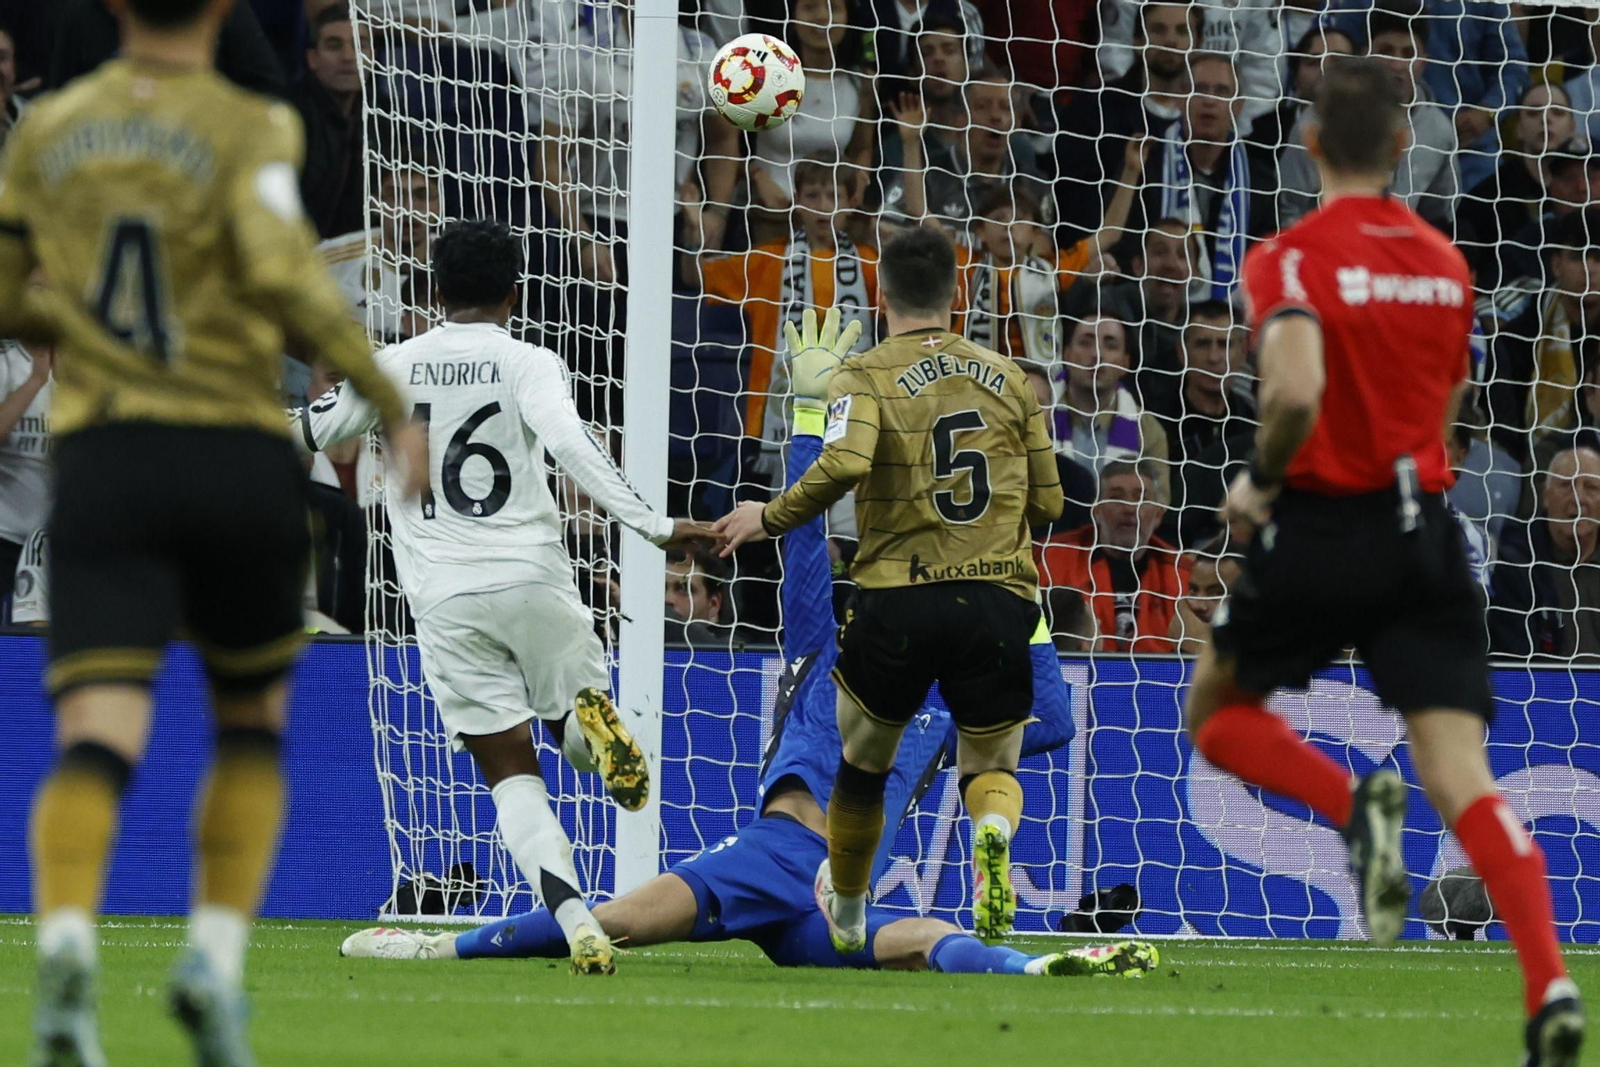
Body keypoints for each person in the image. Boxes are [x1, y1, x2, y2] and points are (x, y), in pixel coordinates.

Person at [340, 310, 1153, 978]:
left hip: (774, 857)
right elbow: (1050, 721)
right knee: (919, 939)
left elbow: (804, 558)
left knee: (612, 920)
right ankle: (1027, 967)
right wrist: (1022, 599)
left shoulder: (824, 668)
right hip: (837, 892)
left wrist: (805, 419)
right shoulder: (939, 729)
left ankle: (441, 941)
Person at [0, 0, 431, 1062]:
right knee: (249, 727)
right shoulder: (256, 127)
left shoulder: (48, 129)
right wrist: (383, 393)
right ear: (226, 11)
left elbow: (12, 292)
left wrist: (87, 321)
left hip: (105, 458)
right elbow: (290, 276)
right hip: (234, 456)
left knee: (98, 732)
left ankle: (63, 945)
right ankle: (213, 957)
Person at [1183, 58, 1583, 1066]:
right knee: (1462, 777)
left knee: (1217, 713)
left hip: (1322, 526)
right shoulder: (1446, 266)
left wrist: (1260, 482)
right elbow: (1446, 407)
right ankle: (1550, 984)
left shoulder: (1289, 256)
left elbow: (1293, 391)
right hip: (1427, 529)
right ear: (1406, 148)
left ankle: (1348, 806)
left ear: (1310, 146)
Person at [293, 219, 714, 976]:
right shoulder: (530, 359)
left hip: (446, 597)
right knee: (574, 735)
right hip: (534, 578)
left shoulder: (391, 363)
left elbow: (310, 431)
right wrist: (654, 523)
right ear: (516, 294)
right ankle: (589, 733)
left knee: (511, 774)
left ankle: (576, 918)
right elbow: (570, 441)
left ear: (434, 292)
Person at [715, 227, 1064, 952]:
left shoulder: (865, 374)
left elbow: (844, 470)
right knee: (991, 765)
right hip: (998, 597)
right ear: (959, 295)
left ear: (879, 296)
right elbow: (1051, 505)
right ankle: (991, 834)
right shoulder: (1009, 377)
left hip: (897, 598)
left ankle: (844, 898)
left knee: (863, 761)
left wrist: (777, 498)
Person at [686, 158, 879, 478]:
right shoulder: (770, 260)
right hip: (772, 424)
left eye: (834, 196)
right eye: (813, 196)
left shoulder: (871, 264)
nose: (823, 206)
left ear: (850, 204)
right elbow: (695, 277)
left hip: (849, 418)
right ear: (797, 201)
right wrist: (694, 231)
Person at [1279, 18, 1457, 230]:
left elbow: (1437, 217)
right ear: (1365, 54)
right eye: (1386, 51)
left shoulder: (1439, 130)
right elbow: (1288, 208)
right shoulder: (1321, 118)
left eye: (1408, 54)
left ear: (1424, 61)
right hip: (1327, 252)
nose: (1397, 64)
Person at [1035, 460, 1192, 652]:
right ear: (1097, 511)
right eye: (1117, 497)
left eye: (1140, 498)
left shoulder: (1182, 573)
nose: (1129, 508)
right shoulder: (1051, 559)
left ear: (1159, 515)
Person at [1489, 446, 1600, 660]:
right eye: (1566, 485)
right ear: (1545, 496)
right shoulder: (1516, 563)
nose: (1578, 498)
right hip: (1548, 690)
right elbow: (1514, 664)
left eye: (1591, 487)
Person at [289, 2, 362, 239]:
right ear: (312, 59)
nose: (349, 57)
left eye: (360, 45)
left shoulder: (386, 117)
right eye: (334, 45)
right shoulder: (289, 116)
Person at [0, 339, 49, 595]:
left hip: (59, 542)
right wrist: (34, 381)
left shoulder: (86, 364)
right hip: (5, 535)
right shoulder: (5, 361)